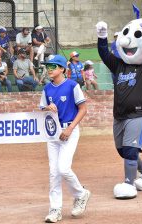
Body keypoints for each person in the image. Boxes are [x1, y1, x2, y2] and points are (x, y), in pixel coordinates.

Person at [96, 19, 142, 199]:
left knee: (131, 151)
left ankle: (129, 184)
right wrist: (102, 36)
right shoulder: (118, 65)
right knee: (123, 151)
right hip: (119, 116)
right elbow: (104, 53)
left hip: (138, 114)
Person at [40, 55, 90, 223]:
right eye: (48, 66)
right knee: (53, 172)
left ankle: (81, 194)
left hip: (69, 129)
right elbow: (42, 110)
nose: (49, 69)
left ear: (62, 68)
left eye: (53, 66)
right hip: (52, 132)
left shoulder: (72, 85)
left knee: (63, 168)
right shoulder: (46, 89)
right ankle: (55, 209)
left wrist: (70, 128)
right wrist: (47, 108)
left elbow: (83, 109)